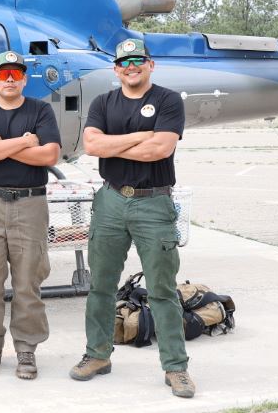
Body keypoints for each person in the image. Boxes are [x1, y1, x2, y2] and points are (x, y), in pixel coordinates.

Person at [69, 38, 194, 398]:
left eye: (138, 60)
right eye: (124, 62)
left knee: (162, 290)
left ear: (150, 65)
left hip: (153, 204)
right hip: (110, 202)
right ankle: (97, 355)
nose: (131, 66)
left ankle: (176, 367)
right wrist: (141, 135)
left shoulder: (167, 100)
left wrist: (117, 141)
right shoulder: (104, 102)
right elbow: (92, 146)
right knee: (101, 287)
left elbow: (161, 148)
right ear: (116, 69)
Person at [0, 50, 61, 379]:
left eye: (16, 74)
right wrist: (23, 142)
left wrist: (1, 146)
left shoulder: (40, 110)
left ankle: (26, 350)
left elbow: (49, 154)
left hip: (30, 204)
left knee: (28, 281)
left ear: (23, 79)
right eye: (3, 74)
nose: (9, 79)